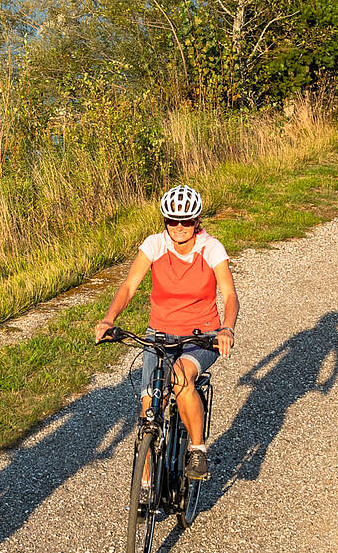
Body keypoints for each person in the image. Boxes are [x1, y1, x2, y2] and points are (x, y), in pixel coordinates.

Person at [93, 184, 238, 482]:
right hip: (159, 334)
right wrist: (109, 319)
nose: (180, 227)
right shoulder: (155, 245)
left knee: (181, 379)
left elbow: (230, 295)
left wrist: (226, 328)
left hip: (203, 336)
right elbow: (129, 286)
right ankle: (145, 485)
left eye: (187, 221)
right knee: (148, 407)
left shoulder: (210, 248)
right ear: (165, 221)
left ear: (197, 221)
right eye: (173, 220)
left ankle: (197, 449)